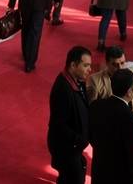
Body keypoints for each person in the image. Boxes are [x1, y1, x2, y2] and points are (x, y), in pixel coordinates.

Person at [89, 69, 133, 184]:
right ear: (129, 92)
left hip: (100, 174)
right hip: (123, 177)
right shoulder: (129, 118)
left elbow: (90, 135)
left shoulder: (95, 106)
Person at [47, 46, 92, 184]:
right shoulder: (63, 90)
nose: (90, 69)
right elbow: (58, 125)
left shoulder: (77, 80)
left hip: (73, 147)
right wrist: (79, 140)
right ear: (73, 65)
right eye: (85, 65)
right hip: (66, 148)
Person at [87, 45, 133, 119]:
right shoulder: (95, 80)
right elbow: (92, 110)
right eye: (115, 65)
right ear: (107, 63)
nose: (120, 68)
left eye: (122, 63)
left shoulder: (132, 73)